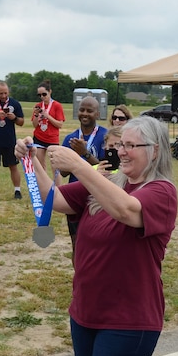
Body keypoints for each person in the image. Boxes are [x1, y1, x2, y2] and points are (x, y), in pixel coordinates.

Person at [14, 116, 177, 356]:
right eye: (120, 144)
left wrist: (80, 166)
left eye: (130, 146)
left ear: (153, 151)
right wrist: (30, 161)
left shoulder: (161, 192)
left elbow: (125, 211)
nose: (121, 151)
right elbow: (54, 201)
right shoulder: (103, 182)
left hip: (131, 318)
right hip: (86, 312)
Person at [61, 96, 108, 255]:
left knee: (96, 242)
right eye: (82, 110)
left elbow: (106, 169)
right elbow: (63, 171)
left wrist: (84, 154)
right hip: (75, 196)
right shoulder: (70, 138)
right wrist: (72, 157)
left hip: (97, 197)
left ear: (98, 113)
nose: (85, 113)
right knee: (76, 241)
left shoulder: (105, 137)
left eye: (90, 110)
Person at [31, 80, 66, 181]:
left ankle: (59, 191)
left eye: (44, 94)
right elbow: (34, 125)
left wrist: (48, 116)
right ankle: (45, 188)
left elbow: (60, 124)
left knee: (55, 167)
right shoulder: (38, 106)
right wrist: (37, 115)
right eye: (39, 95)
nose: (42, 97)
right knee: (40, 167)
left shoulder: (57, 106)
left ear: (50, 92)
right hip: (39, 138)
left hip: (52, 139)